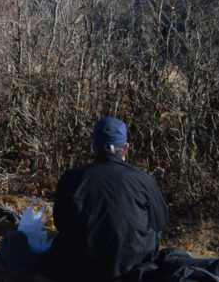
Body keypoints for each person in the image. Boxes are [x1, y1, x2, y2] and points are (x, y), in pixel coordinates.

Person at [45, 117, 169, 282]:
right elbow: (160, 222)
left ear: (93, 147)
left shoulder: (71, 178)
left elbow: (60, 222)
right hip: (131, 270)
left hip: (79, 270)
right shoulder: (143, 180)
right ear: (126, 148)